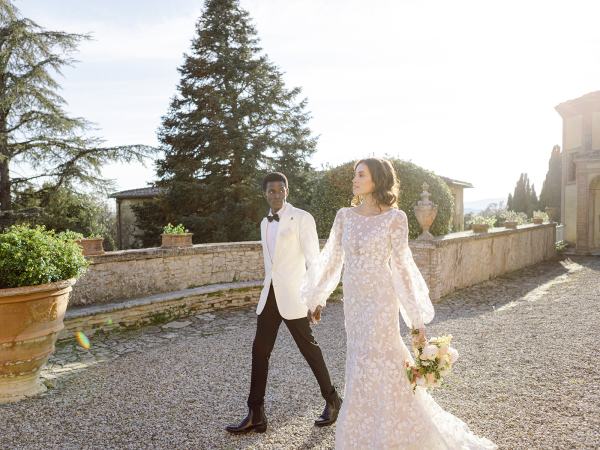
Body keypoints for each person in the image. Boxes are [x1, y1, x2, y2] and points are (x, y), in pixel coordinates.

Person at [301, 159, 497, 449]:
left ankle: (399, 432)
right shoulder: (344, 216)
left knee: (385, 358)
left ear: (376, 180)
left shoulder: (395, 218)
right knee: (359, 362)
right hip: (354, 302)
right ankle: (362, 435)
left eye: (361, 174)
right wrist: (317, 298)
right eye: (355, 174)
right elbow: (332, 260)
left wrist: (415, 321)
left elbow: (403, 269)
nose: (354, 179)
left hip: (381, 300)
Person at [226, 172, 342, 434]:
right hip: (269, 296)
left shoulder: (302, 218)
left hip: (295, 296)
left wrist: (317, 298)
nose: (275, 194)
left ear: (287, 191)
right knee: (259, 352)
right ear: (265, 194)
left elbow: (314, 260)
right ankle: (255, 413)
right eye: (270, 191)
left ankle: (333, 399)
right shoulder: (264, 223)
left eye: (280, 190)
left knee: (309, 349)